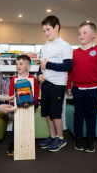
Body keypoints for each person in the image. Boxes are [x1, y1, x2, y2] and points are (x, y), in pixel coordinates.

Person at [67, 21, 97, 153]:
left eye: (85, 32)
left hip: (94, 89)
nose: (81, 35)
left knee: (91, 115)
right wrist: (69, 86)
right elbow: (70, 71)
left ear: (93, 35)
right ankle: (78, 137)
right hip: (77, 89)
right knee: (78, 114)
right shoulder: (75, 53)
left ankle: (91, 139)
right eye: (79, 33)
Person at [38, 15, 73, 152]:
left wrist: (48, 65)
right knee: (47, 112)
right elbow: (42, 65)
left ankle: (60, 138)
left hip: (58, 84)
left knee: (55, 113)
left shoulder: (65, 46)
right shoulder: (45, 46)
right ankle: (52, 136)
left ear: (56, 27)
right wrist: (39, 74)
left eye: (48, 29)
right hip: (46, 83)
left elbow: (68, 65)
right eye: (44, 31)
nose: (46, 33)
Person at [6, 55, 39, 156]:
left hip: (30, 106)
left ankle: (28, 144)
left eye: (21, 64)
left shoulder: (33, 79)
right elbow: (11, 95)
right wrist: (15, 105)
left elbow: (36, 95)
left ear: (28, 66)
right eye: (16, 64)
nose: (18, 66)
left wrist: (32, 105)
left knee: (28, 125)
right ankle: (13, 143)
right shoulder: (14, 80)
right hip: (17, 106)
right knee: (16, 125)